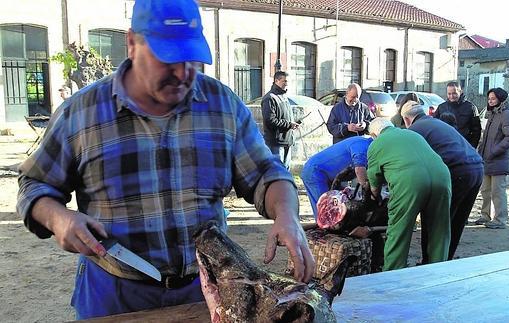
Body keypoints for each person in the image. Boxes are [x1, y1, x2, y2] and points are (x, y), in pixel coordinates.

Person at [16, 0, 314, 319]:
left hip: (207, 292)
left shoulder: (222, 106)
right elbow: (34, 185)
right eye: (167, 59)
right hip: (114, 294)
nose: (183, 74)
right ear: (132, 43)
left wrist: (285, 214)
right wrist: (58, 218)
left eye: (192, 60)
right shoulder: (81, 114)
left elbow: (265, 174)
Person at [401, 101, 483, 260]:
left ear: (406, 119)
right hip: (477, 168)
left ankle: (430, 264)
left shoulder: (414, 130)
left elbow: (413, 164)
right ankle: (446, 261)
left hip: (457, 170)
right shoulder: (436, 122)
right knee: (457, 222)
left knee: (435, 220)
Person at [367, 117, 451, 270]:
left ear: (374, 134)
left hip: (410, 182)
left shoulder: (376, 144)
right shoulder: (413, 134)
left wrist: (375, 198)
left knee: (399, 229)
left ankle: (393, 273)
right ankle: (438, 270)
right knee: (439, 228)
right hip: (442, 177)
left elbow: (373, 183)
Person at [301, 135, 373, 219]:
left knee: (337, 209)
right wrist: (369, 194)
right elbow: (359, 170)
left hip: (332, 177)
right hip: (315, 172)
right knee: (325, 212)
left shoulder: (364, 144)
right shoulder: (362, 145)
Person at [476, 87, 509, 229]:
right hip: (487, 159)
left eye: (493, 98)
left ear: (500, 99)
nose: (490, 101)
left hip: (499, 160)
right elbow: (486, 138)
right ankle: (485, 215)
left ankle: (500, 219)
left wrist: (494, 151)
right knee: (485, 190)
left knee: (497, 192)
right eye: (489, 99)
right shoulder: (492, 113)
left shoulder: (506, 114)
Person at [261, 71, 299, 169]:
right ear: (276, 80)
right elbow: (270, 120)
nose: (286, 84)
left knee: (285, 171)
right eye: (284, 81)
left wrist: (292, 124)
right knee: (277, 172)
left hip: (286, 140)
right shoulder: (269, 98)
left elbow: (285, 116)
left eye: (287, 81)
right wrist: (289, 124)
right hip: (276, 143)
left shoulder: (284, 96)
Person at [433, 81, 482, 148]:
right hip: (445, 145)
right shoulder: (441, 107)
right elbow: (435, 126)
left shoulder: (470, 107)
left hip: (463, 146)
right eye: (449, 94)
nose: (451, 96)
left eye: (454, 93)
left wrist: (472, 147)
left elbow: (476, 130)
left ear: (460, 92)